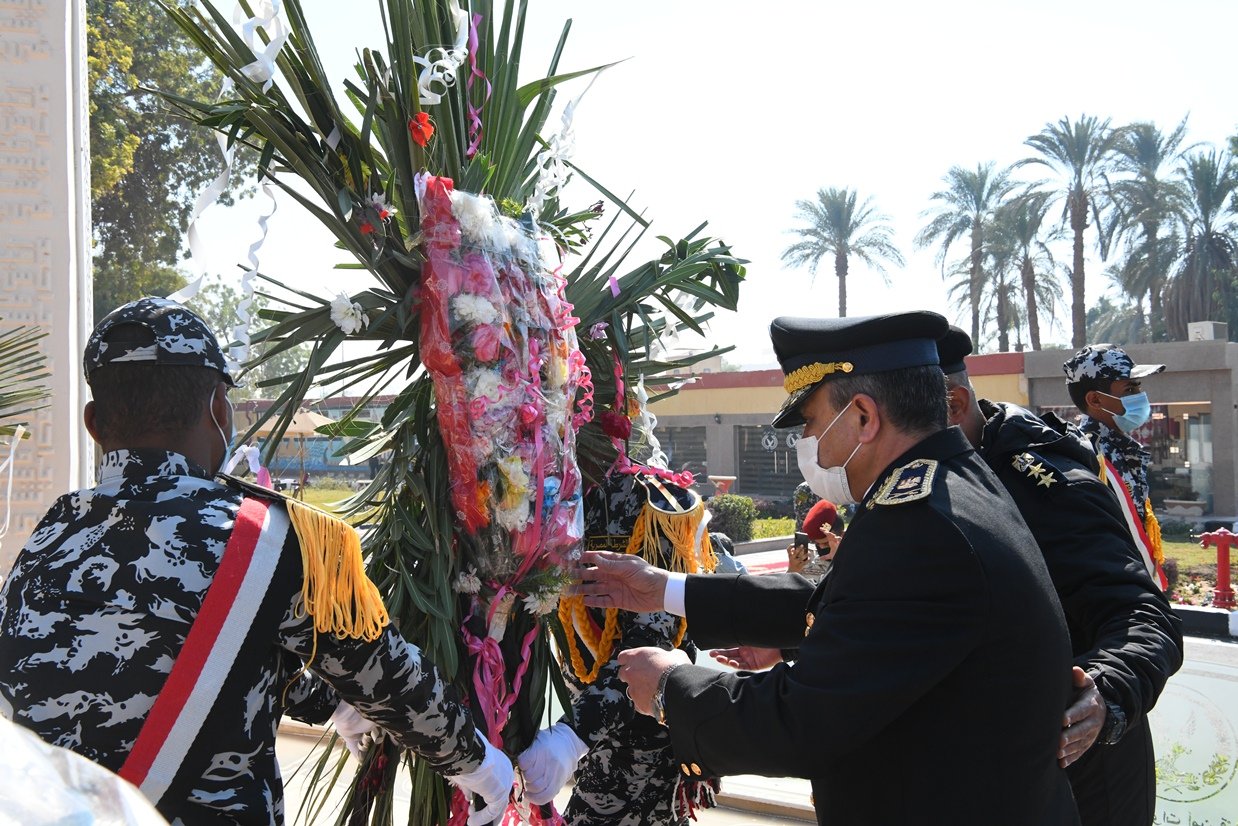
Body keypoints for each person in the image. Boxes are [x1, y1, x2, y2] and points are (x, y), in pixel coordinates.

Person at [0, 297, 512, 825]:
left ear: (92, 423)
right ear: (220, 410)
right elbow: (385, 677)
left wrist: (326, 705)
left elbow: (210, 645)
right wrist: (478, 765)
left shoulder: (51, 536)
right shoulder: (263, 538)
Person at [573, 311, 1081, 825]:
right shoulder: (950, 487)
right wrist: (667, 589)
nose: (807, 443)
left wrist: (670, 688)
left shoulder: (921, 527)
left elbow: (803, 721)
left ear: (863, 416)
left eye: (811, 423)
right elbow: (846, 603)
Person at [939, 328, 1182, 826]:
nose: (1138, 399)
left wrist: (1106, 689)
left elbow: (1138, 610)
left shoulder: (1050, 479)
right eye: (1127, 389)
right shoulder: (938, 480)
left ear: (954, 404)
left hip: (1083, 764)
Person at [522, 471, 718, 825]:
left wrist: (573, 735)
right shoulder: (547, 487)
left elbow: (650, 650)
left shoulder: (652, 500)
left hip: (644, 733)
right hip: (597, 731)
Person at [1063, 343, 1164, 525]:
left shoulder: (1120, 447)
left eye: (1138, 387)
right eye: (1130, 389)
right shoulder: (1090, 453)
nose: (1140, 396)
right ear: (1095, 399)